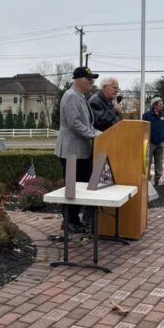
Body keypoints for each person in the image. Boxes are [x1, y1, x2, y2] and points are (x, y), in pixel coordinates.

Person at [55, 66, 101, 233]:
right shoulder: (71, 96)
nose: (92, 81)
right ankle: (68, 221)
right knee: (72, 187)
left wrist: (97, 133)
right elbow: (74, 124)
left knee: (79, 186)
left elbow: (87, 123)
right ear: (79, 79)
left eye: (92, 78)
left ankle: (74, 219)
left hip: (80, 151)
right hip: (71, 151)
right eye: (89, 78)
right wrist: (94, 135)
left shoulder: (80, 96)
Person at [142, 97, 164, 187]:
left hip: (160, 142)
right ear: (155, 105)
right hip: (150, 142)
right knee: (148, 162)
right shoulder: (147, 115)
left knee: (159, 163)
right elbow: (143, 127)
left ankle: (159, 181)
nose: (162, 105)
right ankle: (146, 181)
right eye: (160, 104)